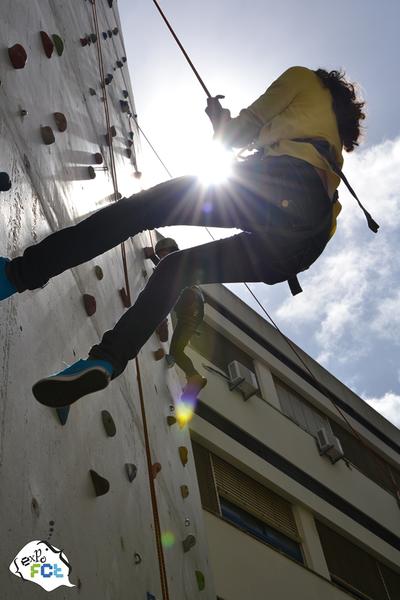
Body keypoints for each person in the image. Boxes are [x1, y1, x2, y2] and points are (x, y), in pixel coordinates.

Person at [0, 66, 372, 408]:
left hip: (283, 188)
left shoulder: (304, 79)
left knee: (140, 210)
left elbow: (235, 137)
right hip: (304, 244)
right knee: (177, 269)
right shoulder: (330, 143)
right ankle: (107, 360)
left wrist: (218, 120)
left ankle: (19, 274)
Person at [144, 237, 207, 397]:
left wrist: (152, 256)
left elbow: (171, 273)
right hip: (191, 315)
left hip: (190, 304)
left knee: (176, 351)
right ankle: (193, 377)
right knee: (177, 351)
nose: (162, 258)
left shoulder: (178, 260)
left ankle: (194, 377)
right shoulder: (182, 263)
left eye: (163, 254)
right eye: (160, 255)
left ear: (170, 251)